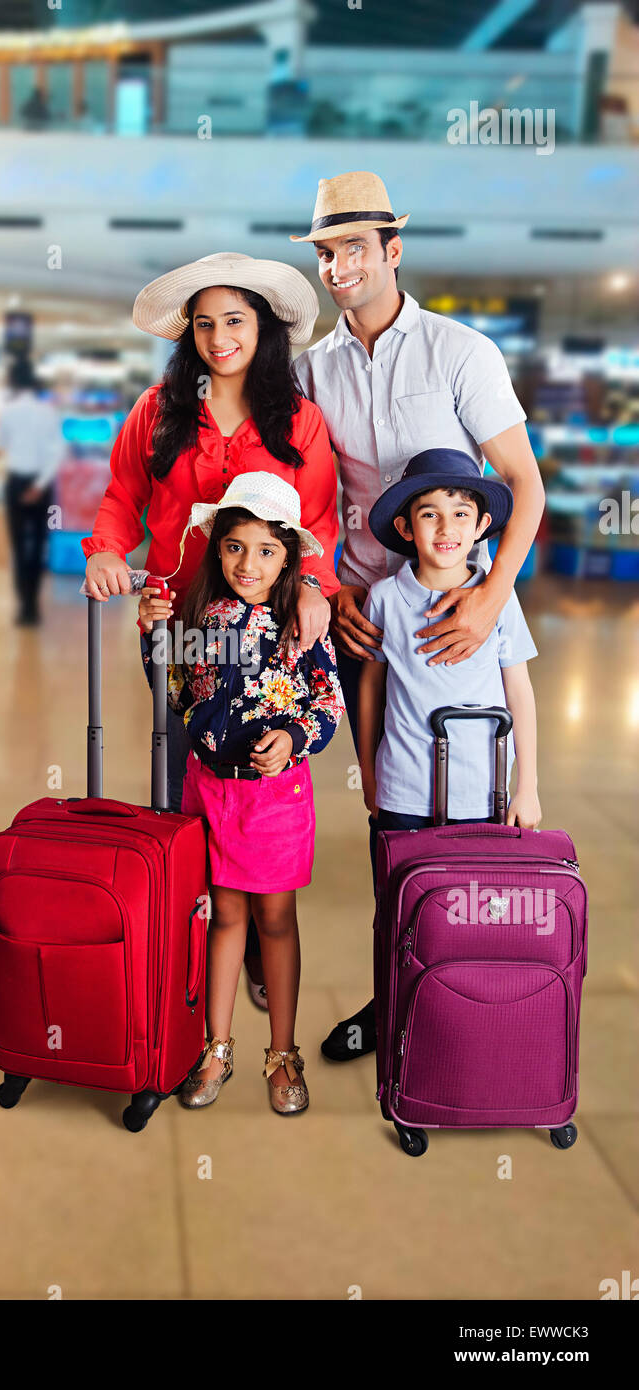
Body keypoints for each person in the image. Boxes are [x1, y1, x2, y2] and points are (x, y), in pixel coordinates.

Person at [288, 172, 546, 1060]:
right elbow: (305, 504)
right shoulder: (310, 371)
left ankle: (472, 996)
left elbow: (524, 484)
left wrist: (490, 596)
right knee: (392, 821)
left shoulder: (460, 353)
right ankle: (394, 996)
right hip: (368, 617)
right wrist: (329, 587)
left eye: (354, 247)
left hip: (458, 609)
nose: (338, 266)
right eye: (325, 251)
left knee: (475, 815)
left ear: (393, 251)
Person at [81, 252, 340, 1008]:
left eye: (235, 320)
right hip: (179, 624)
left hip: (271, 640)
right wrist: (103, 551)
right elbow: (121, 497)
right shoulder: (158, 411)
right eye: (204, 323)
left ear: (262, 327)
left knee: (261, 776)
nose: (220, 336)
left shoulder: (297, 419)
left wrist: (317, 591)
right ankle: (190, 941)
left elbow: (318, 520)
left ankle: (261, 933)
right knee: (184, 772)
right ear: (187, 334)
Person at [137, 473, 345, 1114]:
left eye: (265, 550)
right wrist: (151, 633)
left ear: (287, 557)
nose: (247, 563)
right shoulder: (201, 616)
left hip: (276, 800)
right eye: (234, 546)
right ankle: (216, 1047)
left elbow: (329, 701)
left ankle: (283, 1054)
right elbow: (173, 689)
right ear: (215, 547)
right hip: (209, 794)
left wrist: (293, 737)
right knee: (222, 917)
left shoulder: (300, 624)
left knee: (275, 920)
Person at [358, 450, 540, 913]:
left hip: (485, 791)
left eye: (461, 514)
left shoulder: (499, 602)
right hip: (404, 789)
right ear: (405, 529)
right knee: (399, 913)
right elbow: (371, 689)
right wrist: (368, 772)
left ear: (481, 526)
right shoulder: (384, 599)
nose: (446, 528)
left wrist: (528, 786)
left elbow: (519, 690)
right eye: (430, 515)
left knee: (474, 920)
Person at [0, 355, 62, 626]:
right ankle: (34, 606)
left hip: (15, 482)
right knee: (38, 543)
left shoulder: (7, 412)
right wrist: (39, 485)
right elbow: (57, 451)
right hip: (42, 485)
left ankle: (23, 606)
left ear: (12, 381)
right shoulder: (48, 411)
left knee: (18, 544)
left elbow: (0, 444)